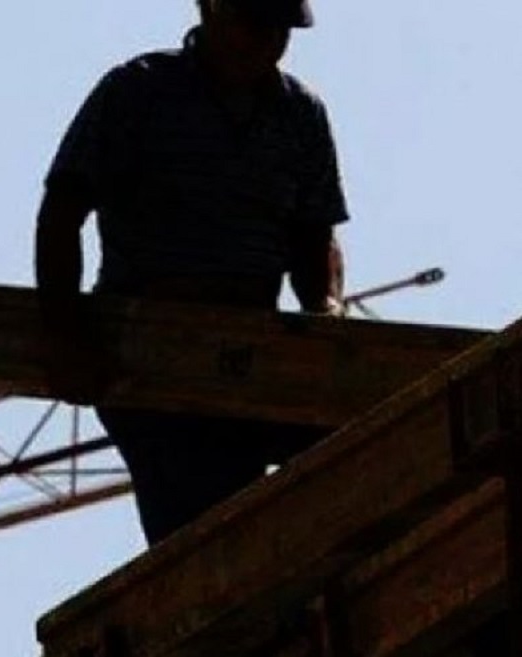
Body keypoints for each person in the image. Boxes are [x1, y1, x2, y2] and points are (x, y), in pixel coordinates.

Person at [34, 0, 349, 545]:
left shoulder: (299, 114)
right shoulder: (139, 92)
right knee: (198, 519)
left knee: (352, 457)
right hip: (150, 352)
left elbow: (314, 235)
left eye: (279, 29)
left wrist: (325, 315)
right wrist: (66, 334)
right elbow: (63, 212)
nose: (267, 41)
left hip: (251, 350)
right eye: (255, 22)